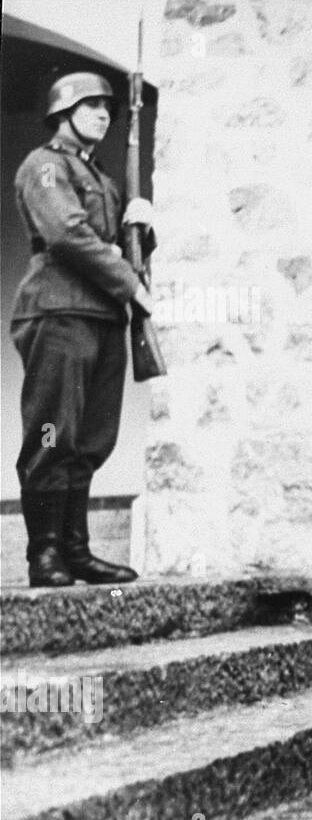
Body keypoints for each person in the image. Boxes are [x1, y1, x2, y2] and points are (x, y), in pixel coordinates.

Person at [11, 71, 155, 588]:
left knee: (90, 439)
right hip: (57, 314)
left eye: (107, 108)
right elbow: (69, 234)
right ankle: (44, 554)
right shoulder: (44, 167)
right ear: (63, 112)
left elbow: (117, 248)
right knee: (53, 432)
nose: (103, 114)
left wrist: (142, 229)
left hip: (102, 319)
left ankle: (76, 550)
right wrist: (129, 283)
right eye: (91, 105)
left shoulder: (106, 183)